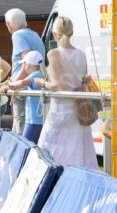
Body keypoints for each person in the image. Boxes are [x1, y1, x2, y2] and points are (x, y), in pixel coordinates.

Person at [33, 16, 96, 169]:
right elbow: (82, 81)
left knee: (49, 150)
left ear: (55, 33)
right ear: (71, 32)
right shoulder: (81, 54)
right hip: (79, 110)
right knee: (79, 153)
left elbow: (58, 85)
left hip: (60, 110)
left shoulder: (53, 53)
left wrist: (42, 82)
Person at [5, 8, 45, 135]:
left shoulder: (17, 35)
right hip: (35, 86)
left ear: (9, 24)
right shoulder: (34, 34)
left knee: (19, 128)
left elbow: (28, 61)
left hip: (22, 88)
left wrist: (14, 84)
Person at [0, 50, 45, 144]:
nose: (23, 66)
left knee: (26, 145)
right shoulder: (41, 74)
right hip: (38, 118)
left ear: (29, 65)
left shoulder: (34, 75)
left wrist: (10, 84)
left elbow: (22, 83)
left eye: (24, 63)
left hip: (33, 119)